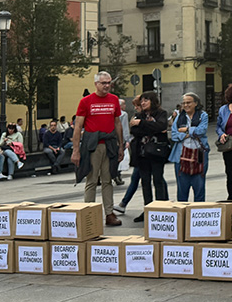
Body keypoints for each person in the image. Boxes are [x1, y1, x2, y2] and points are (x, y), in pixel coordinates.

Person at [71, 71, 124, 227]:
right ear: (96, 84)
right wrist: (76, 149)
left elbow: (117, 123)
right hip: (93, 144)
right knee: (92, 179)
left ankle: (109, 213)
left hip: (109, 144)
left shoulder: (114, 100)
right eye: (103, 83)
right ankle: (89, 213)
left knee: (108, 179)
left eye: (109, 83)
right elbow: (78, 126)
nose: (107, 86)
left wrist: (121, 145)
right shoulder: (86, 101)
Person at [123, 92, 171, 220]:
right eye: (142, 101)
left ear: (153, 101)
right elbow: (134, 130)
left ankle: (161, 209)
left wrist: (142, 124)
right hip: (142, 153)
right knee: (145, 182)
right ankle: (148, 209)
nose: (143, 103)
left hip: (157, 153)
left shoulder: (161, 113)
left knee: (158, 180)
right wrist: (148, 126)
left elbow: (161, 125)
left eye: (146, 100)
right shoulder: (139, 115)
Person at [169, 92, 210, 202]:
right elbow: (174, 135)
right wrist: (190, 133)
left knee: (199, 187)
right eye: (184, 103)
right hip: (181, 155)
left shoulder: (203, 115)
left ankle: (198, 215)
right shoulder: (179, 117)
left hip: (199, 154)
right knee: (182, 189)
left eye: (188, 102)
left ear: (196, 103)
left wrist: (186, 130)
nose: (186, 105)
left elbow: (201, 131)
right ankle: (183, 215)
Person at [114, 99, 129, 186]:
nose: (125, 106)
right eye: (124, 104)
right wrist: (126, 139)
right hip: (120, 139)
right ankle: (117, 175)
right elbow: (124, 127)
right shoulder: (123, 114)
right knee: (119, 158)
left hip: (111, 138)